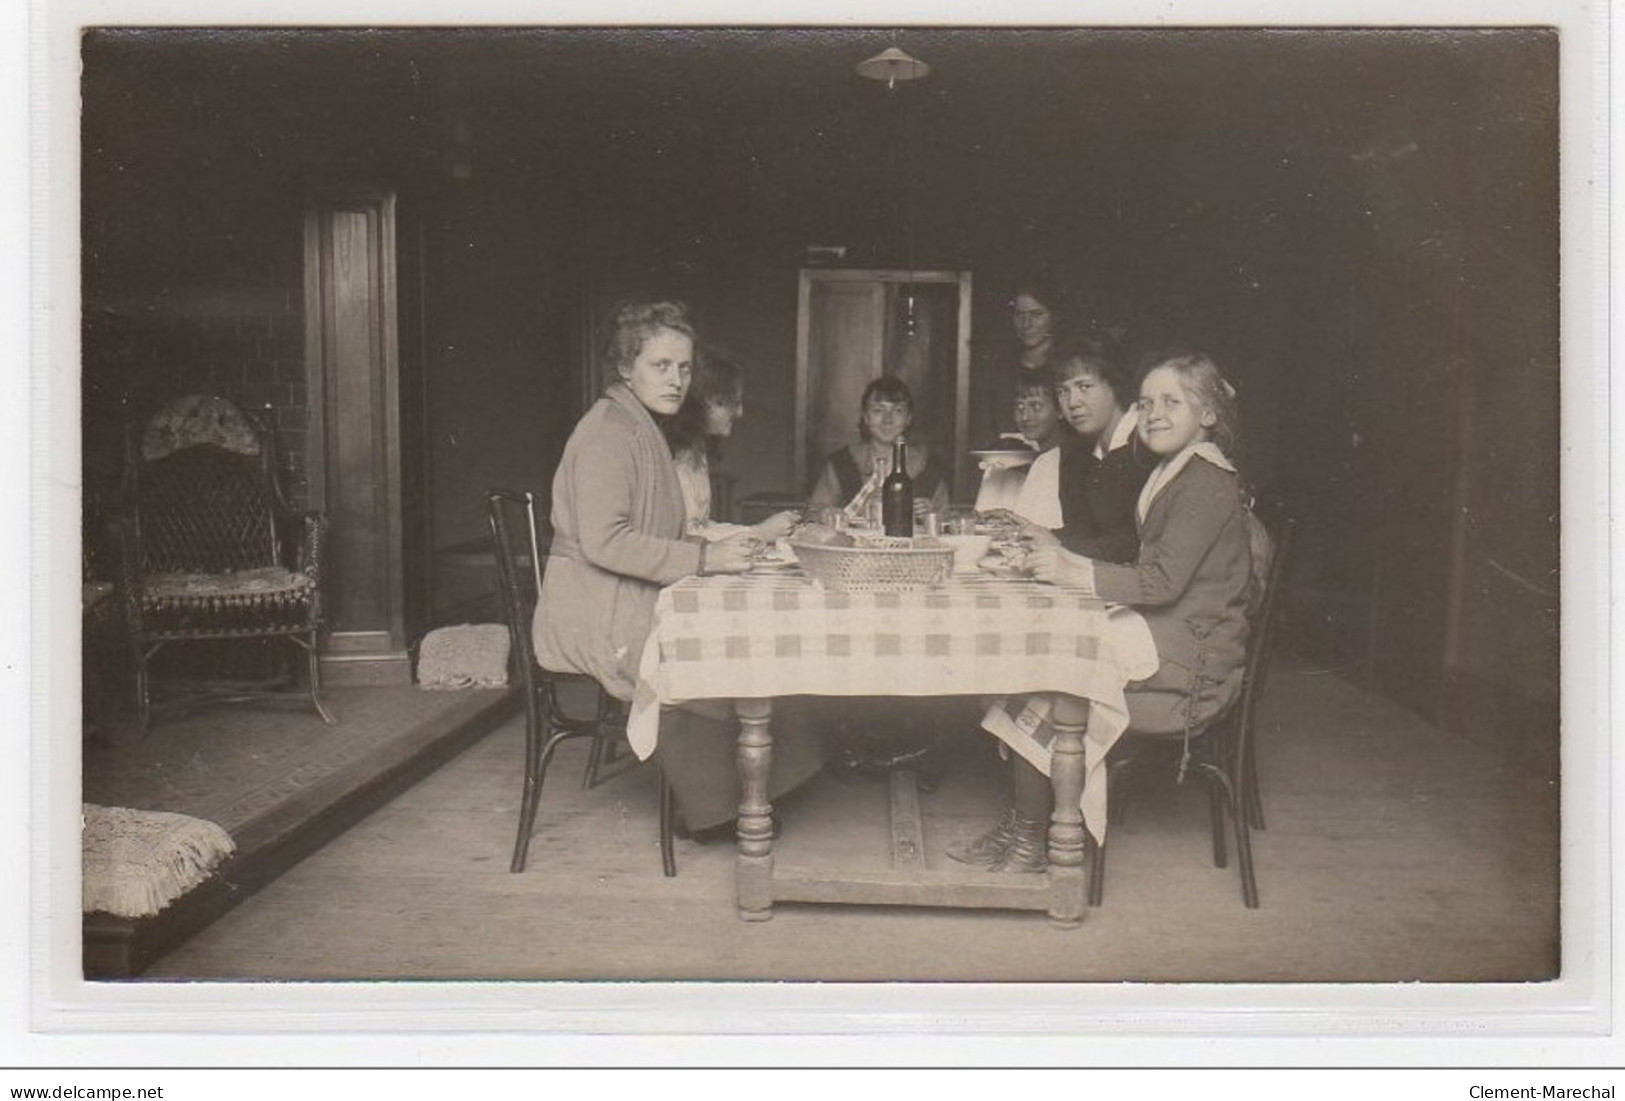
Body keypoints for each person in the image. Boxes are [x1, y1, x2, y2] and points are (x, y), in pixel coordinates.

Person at [949, 351, 1256, 872]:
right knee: (1041, 660)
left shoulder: (1204, 481)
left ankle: (1033, 837)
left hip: (1192, 665)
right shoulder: (1179, 472)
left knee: (1045, 668)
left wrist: (1070, 570)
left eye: (1171, 403)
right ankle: (1028, 827)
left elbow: (1160, 582)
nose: (1154, 414)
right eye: (1147, 403)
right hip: (1174, 639)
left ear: (1207, 415)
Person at [534, 301, 823, 836]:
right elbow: (604, 541)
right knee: (719, 644)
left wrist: (728, 549)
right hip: (596, 608)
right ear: (626, 366)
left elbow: (654, 530)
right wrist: (703, 558)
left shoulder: (640, 425)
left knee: (742, 631)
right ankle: (714, 807)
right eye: (660, 366)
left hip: (621, 592)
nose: (675, 380)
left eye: (684, 368)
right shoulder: (607, 432)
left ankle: (744, 790)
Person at [1005, 342, 1152, 563]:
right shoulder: (1078, 456)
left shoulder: (1145, 449)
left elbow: (1135, 546)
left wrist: (1059, 544)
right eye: (1063, 391)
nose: (1073, 402)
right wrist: (1041, 535)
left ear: (1115, 386)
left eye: (1084, 387)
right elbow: (1085, 535)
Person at [666, 349, 800, 542]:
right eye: (733, 403)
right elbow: (686, 537)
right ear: (705, 403)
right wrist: (757, 533)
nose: (740, 413)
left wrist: (757, 531)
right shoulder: (672, 455)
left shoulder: (695, 451)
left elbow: (701, 527)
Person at [805, 376, 951, 519]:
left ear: (908, 419)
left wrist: (932, 515)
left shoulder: (928, 468)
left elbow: (946, 521)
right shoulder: (842, 463)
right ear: (866, 418)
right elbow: (813, 511)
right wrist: (825, 514)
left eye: (898, 410)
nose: (887, 420)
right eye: (878, 410)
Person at [973, 374, 1067, 515]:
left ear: (1060, 411)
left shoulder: (1071, 457)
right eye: (1019, 407)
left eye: (1036, 406)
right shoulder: (1026, 455)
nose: (1025, 417)